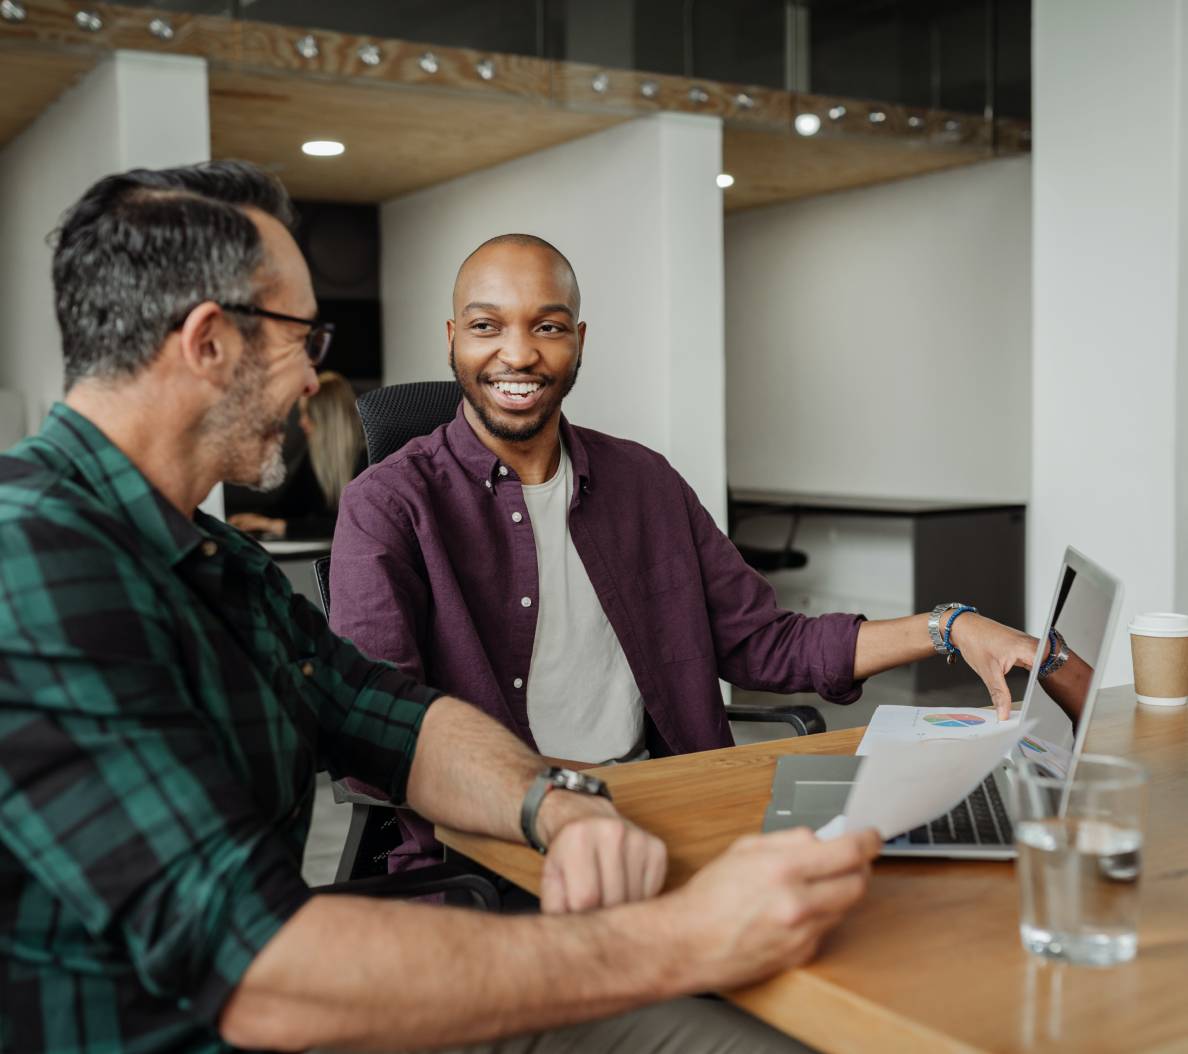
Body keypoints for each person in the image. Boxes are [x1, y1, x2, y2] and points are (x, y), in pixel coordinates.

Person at [0, 161, 880, 1054]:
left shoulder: (215, 557)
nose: (316, 379)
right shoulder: (30, 566)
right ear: (209, 343)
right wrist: (679, 942)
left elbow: (386, 714)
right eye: (306, 337)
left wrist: (558, 803)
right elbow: (259, 971)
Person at [329, 233, 1045, 868]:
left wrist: (949, 626)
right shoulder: (388, 505)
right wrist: (559, 797)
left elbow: (765, 643)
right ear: (452, 336)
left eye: (546, 327)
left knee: (917, 881)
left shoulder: (644, 482)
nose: (518, 354)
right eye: (487, 327)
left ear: (579, 339)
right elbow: (374, 733)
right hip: (501, 844)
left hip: (673, 809)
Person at [228, 369, 365, 539]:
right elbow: (289, 506)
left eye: (307, 414)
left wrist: (274, 526)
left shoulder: (367, 462)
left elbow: (349, 525)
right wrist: (255, 519)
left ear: (326, 418)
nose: (301, 422)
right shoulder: (314, 458)